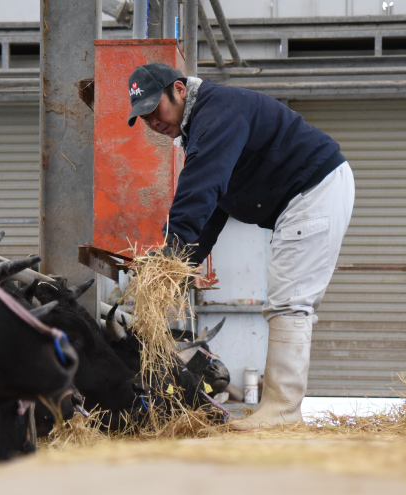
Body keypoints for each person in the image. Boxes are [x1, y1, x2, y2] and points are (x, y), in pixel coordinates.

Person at [126, 62, 355, 430]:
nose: (154, 122)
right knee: (289, 299)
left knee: (289, 301)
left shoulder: (216, 113)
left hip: (312, 191)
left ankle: (281, 413)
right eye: (145, 116)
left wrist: (171, 249)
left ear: (180, 90)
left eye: (157, 108)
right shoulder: (205, 122)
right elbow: (216, 204)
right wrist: (183, 262)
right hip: (307, 194)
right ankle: (280, 411)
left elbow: (201, 186)